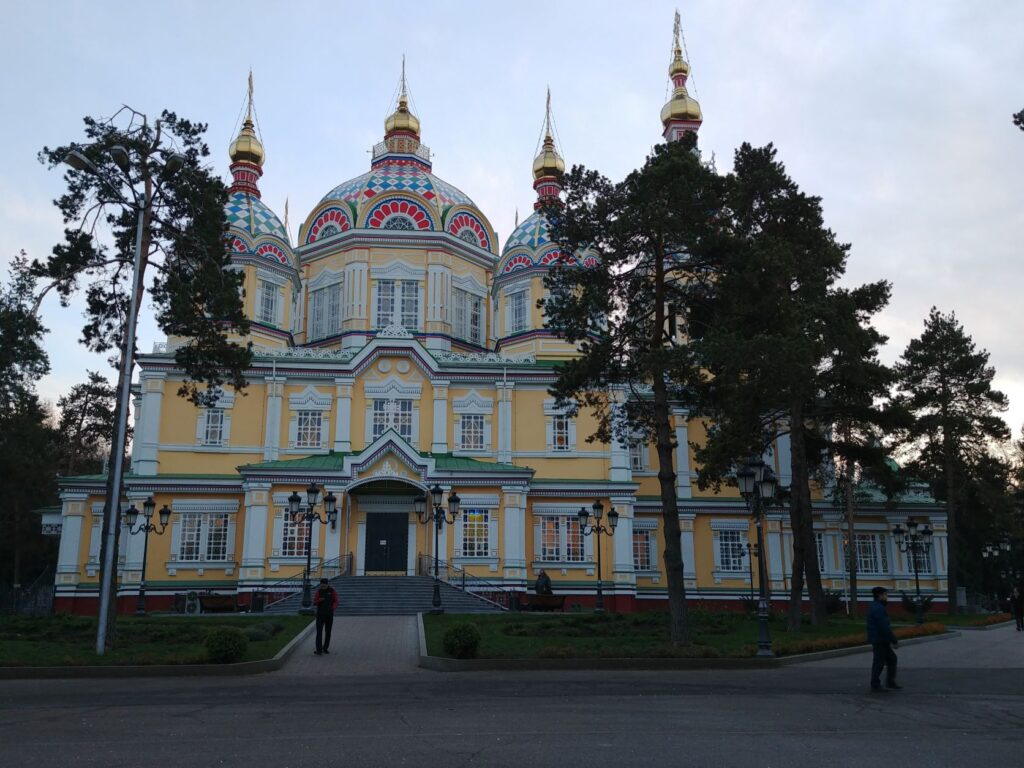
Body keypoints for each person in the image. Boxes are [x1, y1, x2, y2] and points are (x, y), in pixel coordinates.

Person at [866, 586, 900, 692]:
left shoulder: (876, 606)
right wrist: (893, 640)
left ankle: (890, 682)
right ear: (880, 595)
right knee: (879, 662)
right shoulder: (878, 608)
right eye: (886, 595)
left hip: (880, 639)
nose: (887, 597)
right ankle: (875, 685)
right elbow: (884, 626)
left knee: (891, 659)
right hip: (880, 639)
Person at [313, 578, 338, 655]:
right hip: (320, 615)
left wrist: (333, 608)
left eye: (324, 585)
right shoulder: (318, 592)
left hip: (329, 615)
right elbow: (314, 602)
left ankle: (325, 648)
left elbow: (336, 601)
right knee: (319, 632)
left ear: (327, 584)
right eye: (321, 585)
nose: (323, 587)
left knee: (328, 632)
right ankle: (319, 650)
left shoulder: (332, 591)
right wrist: (319, 600)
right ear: (320, 584)